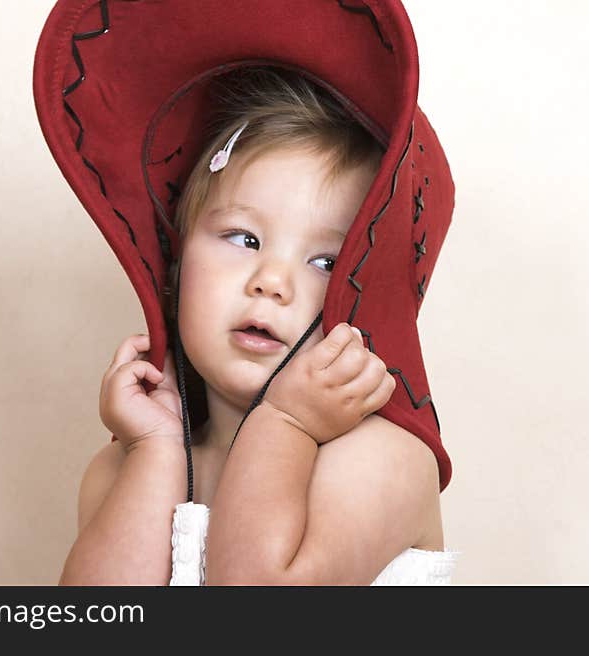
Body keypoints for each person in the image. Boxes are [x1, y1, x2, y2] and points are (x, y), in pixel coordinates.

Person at [57, 67, 460, 585]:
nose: (271, 282)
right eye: (244, 239)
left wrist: (286, 421)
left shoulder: (383, 459)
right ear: (175, 263)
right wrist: (156, 451)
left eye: (327, 263)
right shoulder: (121, 469)